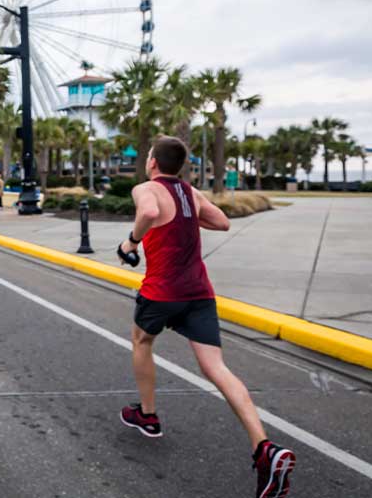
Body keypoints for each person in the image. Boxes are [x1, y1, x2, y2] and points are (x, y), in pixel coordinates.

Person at [117, 136, 295, 497]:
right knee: (216, 367)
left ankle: (148, 416)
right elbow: (223, 222)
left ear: (152, 162)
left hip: (162, 291)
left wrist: (131, 242)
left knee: (141, 340)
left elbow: (150, 213)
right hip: (199, 292)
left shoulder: (145, 188)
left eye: (149, 156)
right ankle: (264, 449)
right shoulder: (190, 192)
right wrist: (185, 222)